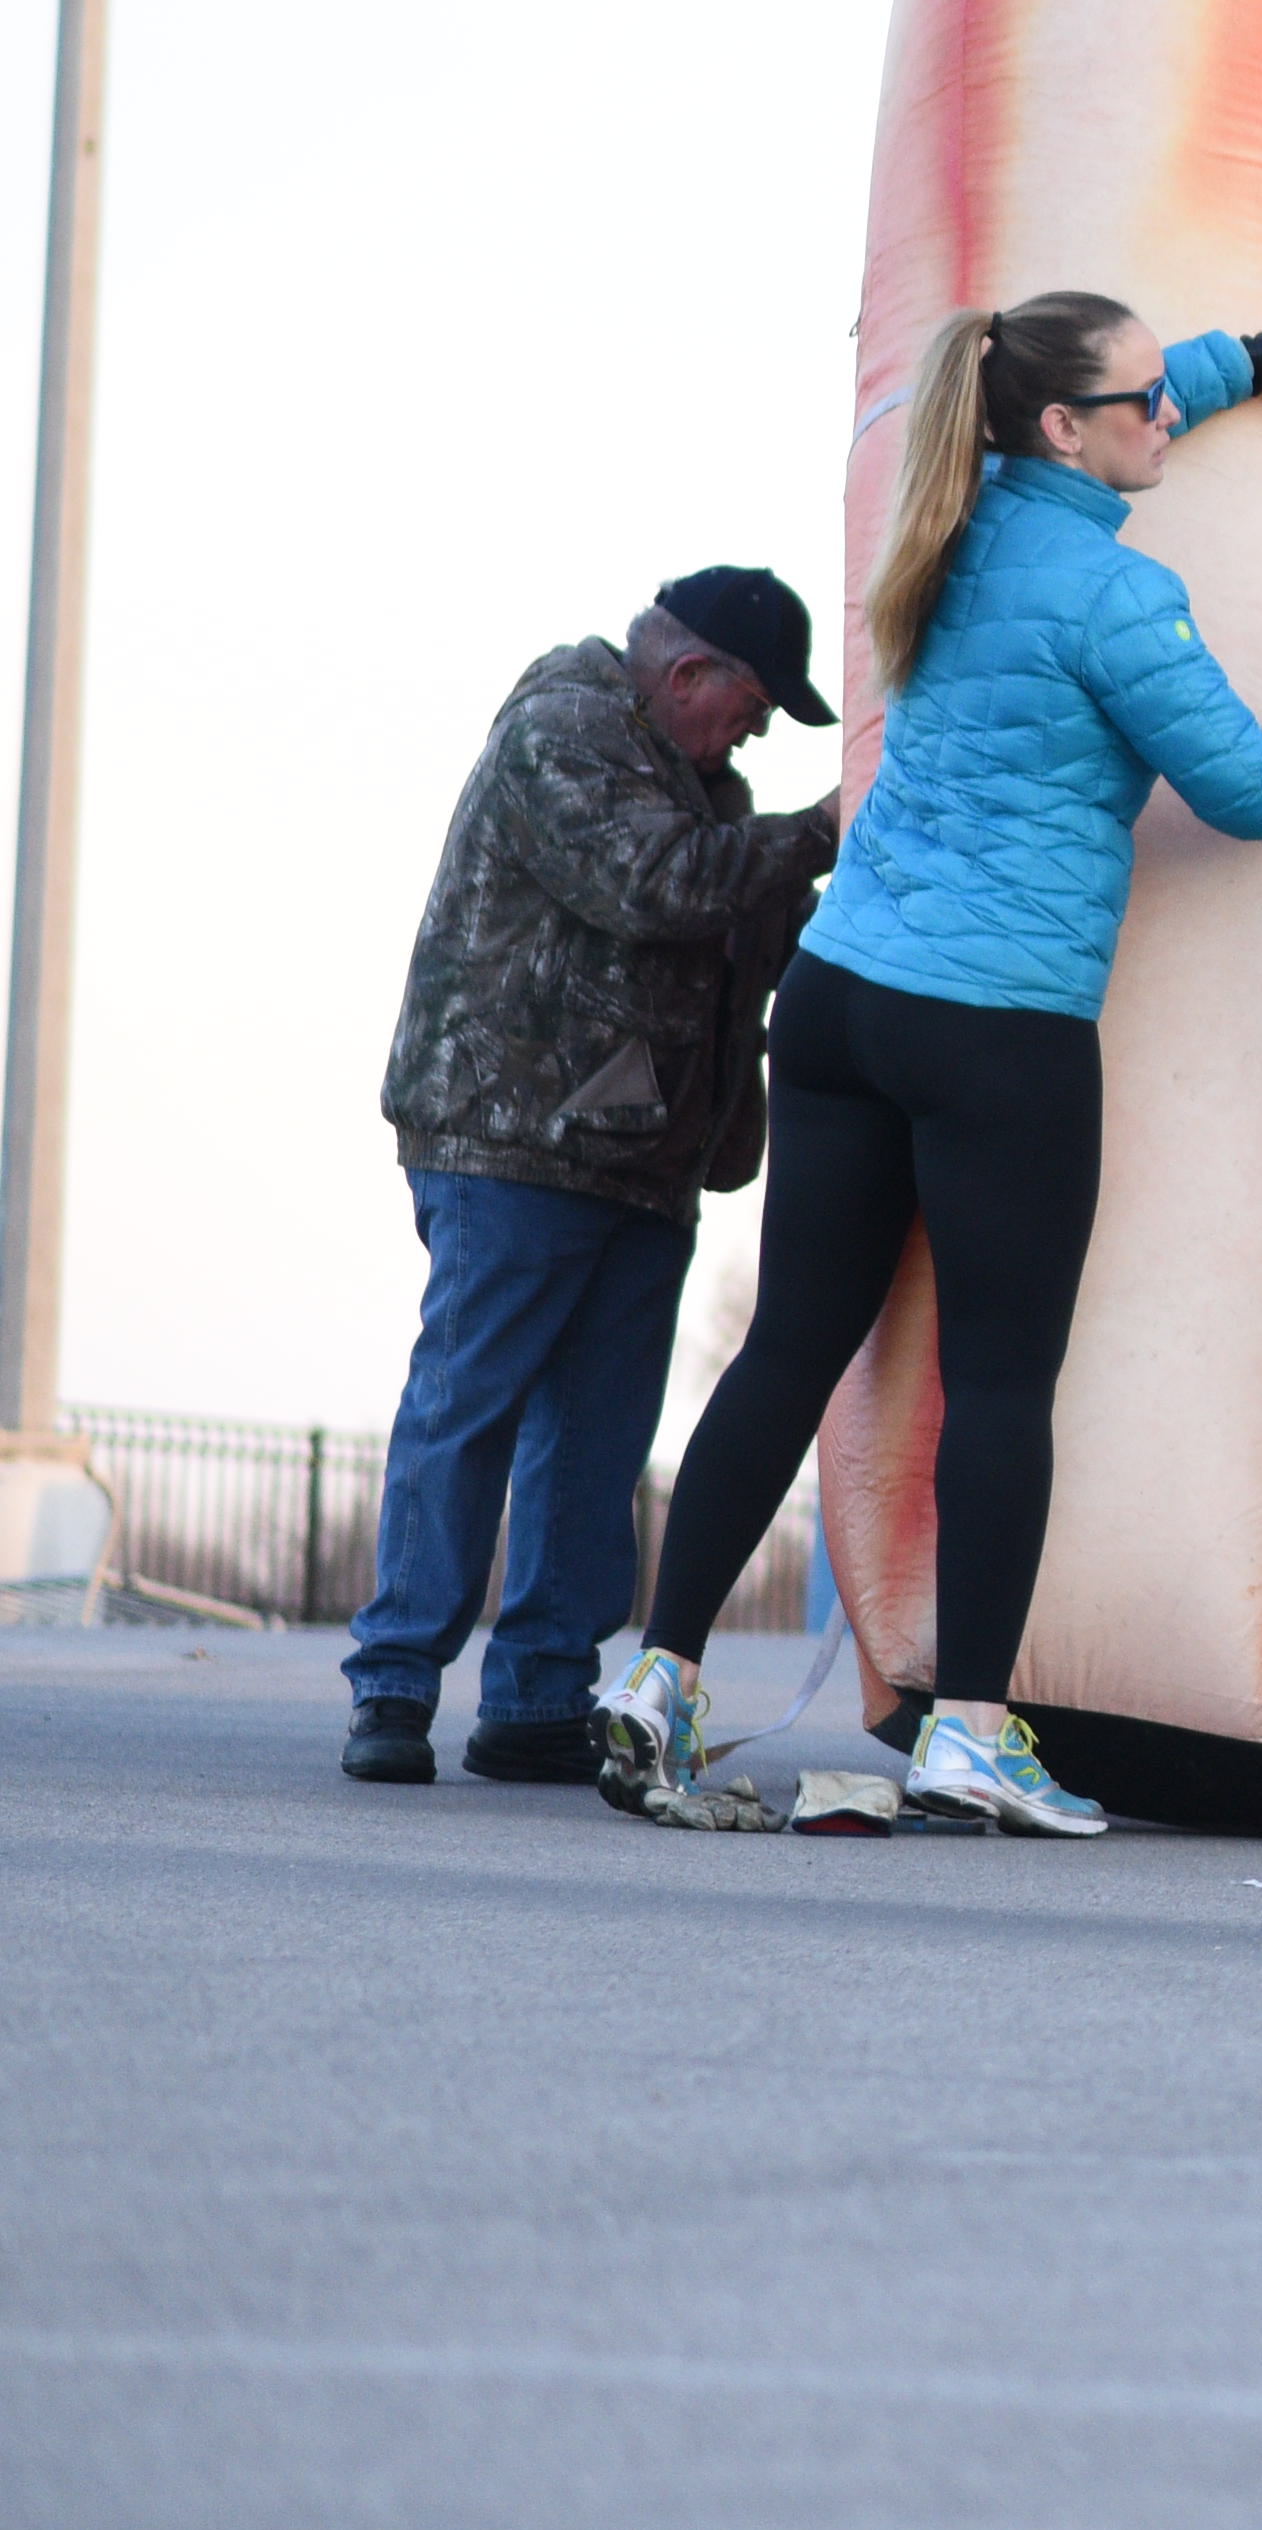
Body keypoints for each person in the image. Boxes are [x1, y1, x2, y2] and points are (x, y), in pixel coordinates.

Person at [590, 295, 1262, 1835]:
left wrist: (1250, 363)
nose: (1162, 421)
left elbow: (1105, 388)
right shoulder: (1121, 598)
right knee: (1000, 1381)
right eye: (1142, 407)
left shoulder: (948, 518)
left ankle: (658, 1676)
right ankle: (971, 1729)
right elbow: (1244, 791)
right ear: (1063, 428)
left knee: (787, 1350)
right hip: (998, 1029)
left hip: (845, 998)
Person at [337, 568, 848, 1789]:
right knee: (470, 1409)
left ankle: (537, 1700)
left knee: (597, 1444)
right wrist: (819, 833)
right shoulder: (561, 733)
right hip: (513, 1143)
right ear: (689, 676)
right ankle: (396, 1687)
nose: (758, 731)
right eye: (754, 704)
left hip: (638, 1160)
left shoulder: (695, 783)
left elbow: (729, 917)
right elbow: (652, 884)